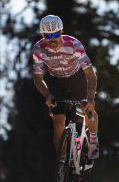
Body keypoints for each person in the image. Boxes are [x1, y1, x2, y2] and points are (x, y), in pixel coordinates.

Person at [32, 15, 99, 159]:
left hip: (77, 77)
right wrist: (47, 95)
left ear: (61, 32)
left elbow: (91, 75)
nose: (52, 39)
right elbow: (38, 79)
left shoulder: (74, 45)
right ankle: (61, 162)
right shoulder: (38, 49)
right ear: (42, 35)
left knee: (88, 110)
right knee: (58, 122)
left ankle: (93, 139)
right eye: (48, 36)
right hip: (56, 81)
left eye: (55, 34)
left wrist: (91, 97)